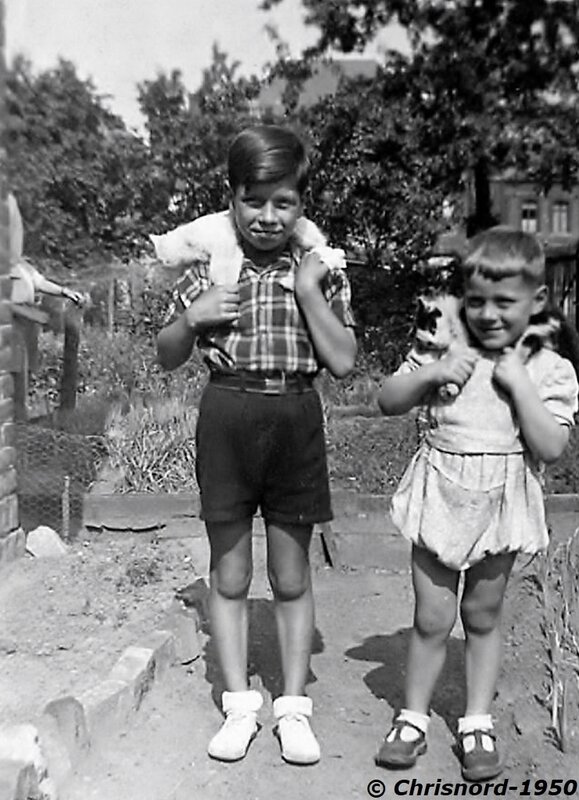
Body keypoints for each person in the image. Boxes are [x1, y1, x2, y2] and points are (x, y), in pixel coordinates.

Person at [156, 125, 357, 765]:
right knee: (232, 571)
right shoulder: (213, 268)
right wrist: (192, 318)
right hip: (228, 413)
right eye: (254, 201)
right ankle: (240, 702)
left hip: (295, 415)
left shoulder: (321, 270)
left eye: (284, 202)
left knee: (291, 574)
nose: (268, 217)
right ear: (232, 199)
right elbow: (166, 354)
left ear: (302, 203)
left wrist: (305, 291)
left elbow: (345, 361)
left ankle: (292, 708)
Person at [375, 227, 578, 781]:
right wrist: (433, 373)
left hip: (502, 498)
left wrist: (520, 387)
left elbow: (552, 445)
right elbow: (388, 399)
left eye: (505, 303)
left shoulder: (547, 366)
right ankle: (412, 717)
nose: (488, 314)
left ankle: (476, 720)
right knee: (431, 616)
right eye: (477, 300)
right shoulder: (442, 340)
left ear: (536, 302)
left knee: (482, 616)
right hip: (441, 487)